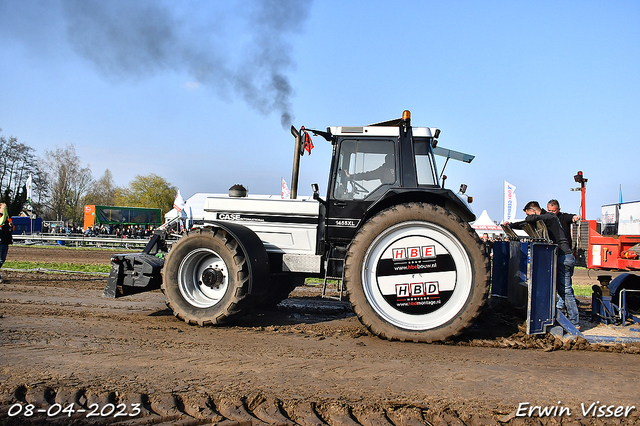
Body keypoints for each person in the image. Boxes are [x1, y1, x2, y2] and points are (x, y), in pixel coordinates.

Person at [505, 201, 580, 329]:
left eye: (528, 214)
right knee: (561, 290)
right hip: (561, 257)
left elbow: (531, 219)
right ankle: (569, 318)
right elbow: (527, 222)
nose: (528, 217)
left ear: (534, 211)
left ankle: (574, 322)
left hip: (564, 257)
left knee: (566, 291)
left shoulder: (550, 217)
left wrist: (529, 218)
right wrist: (511, 225)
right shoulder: (545, 219)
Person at [0, 203, 15, 284]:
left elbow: (12, 228)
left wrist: (11, 226)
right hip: (0, 240)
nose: (5, 209)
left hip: (6, 240)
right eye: (4, 208)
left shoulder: (8, 218)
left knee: (2, 259)